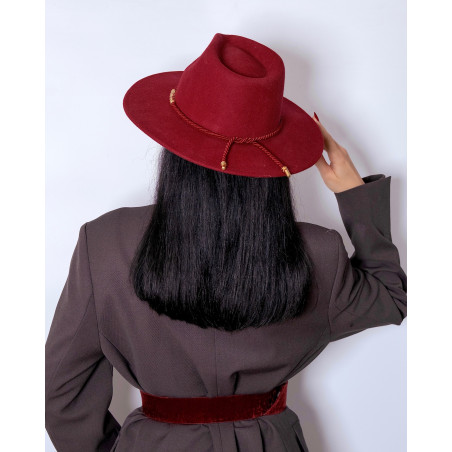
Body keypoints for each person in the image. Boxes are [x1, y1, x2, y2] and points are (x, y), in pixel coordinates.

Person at [45, 33, 407, 452]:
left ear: (175, 142)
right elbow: (391, 296)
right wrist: (355, 195)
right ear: (273, 155)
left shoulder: (104, 244)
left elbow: (62, 394)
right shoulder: (318, 254)